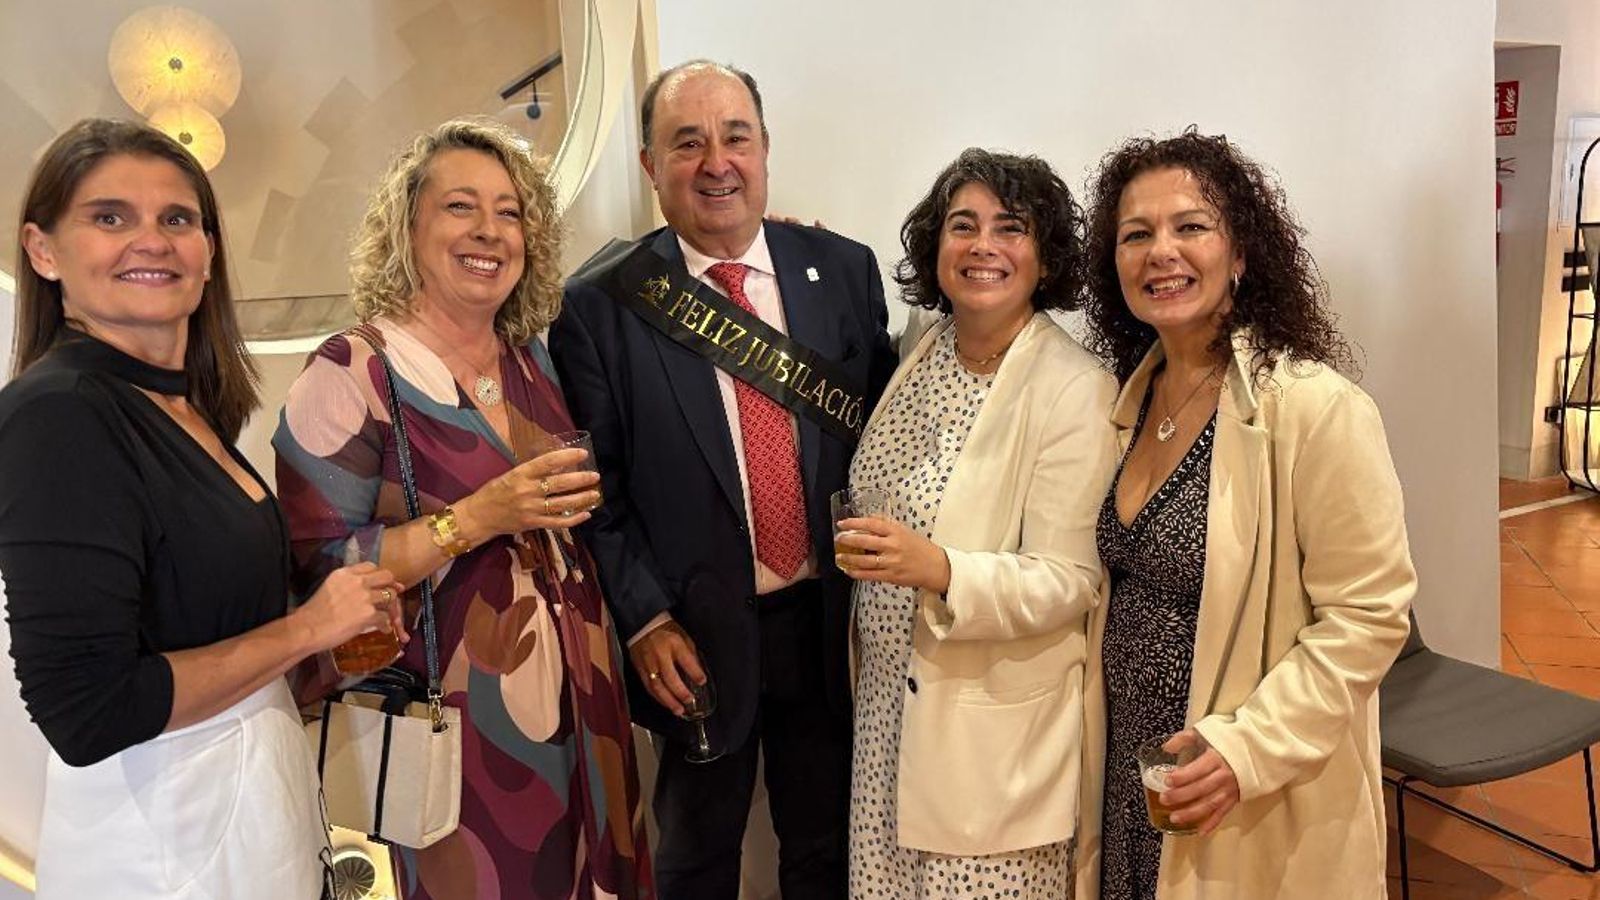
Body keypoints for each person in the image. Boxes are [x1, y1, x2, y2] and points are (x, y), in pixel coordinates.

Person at [0, 118, 404, 900]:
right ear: (43, 250)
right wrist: (310, 627)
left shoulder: (188, 406)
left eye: (177, 218)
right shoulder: (58, 417)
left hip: (246, 804)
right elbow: (89, 711)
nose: (151, 240)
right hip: (160, 843)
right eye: (109, 216)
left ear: (209, 249)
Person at [272, 118, 652, 900]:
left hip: (587, 717)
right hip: (457, 743)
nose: (489, 230)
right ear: (407, 228)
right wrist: (476, 517)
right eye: (460, 207)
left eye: (509, 212)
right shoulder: (350, 374)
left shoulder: (529, 360)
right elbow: (316, 581)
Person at [550, 61, 896, 900]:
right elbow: (600, 491)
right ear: (649, 166)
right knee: (696, 860)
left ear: (765, 148)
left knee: (825, 850)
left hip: (828, 627)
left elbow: (883, 436)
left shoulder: (843, 270)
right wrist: (643, 618)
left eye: (736, 136)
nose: (717, 162)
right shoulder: (600, 306)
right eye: (688, 142)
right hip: (693, 639)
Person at [1074, 129, 1415, 900]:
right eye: (1137, 234)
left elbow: (1369, 616)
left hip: (1247, 783)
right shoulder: (1127, 404)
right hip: (1136, 769)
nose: (1161, 251)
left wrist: (1243, 750)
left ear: (1241, 254)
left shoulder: (1316, 410)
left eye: (1190, 226)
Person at [837, 148, 1118, 898]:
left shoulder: (1075, 388)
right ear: (936, 248)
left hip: (988, 745)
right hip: (888, 724)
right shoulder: (920, 347)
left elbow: (1071, 582)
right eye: (962, 225)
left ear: (1045, 255)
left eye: (1011, 227)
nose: (983, 245)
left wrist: (942, 569)